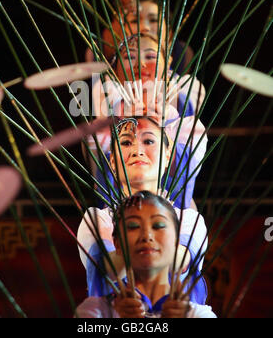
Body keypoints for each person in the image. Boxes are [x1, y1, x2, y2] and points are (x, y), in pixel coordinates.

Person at [77, 117, 208, 303]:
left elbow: (180, 261)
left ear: (167, 157)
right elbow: (106, 269)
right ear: (113, 162)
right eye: (126, 142)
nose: (137, 151)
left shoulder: (189, 220)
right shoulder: (96, 220)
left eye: (148, 141)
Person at [88, 33, 207, 209]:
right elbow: (107, 178)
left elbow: (183, 177)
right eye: (129, 57)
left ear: (168, 63)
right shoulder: (105, 116)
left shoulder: (186, 125)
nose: (140, 65)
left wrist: (160, 127)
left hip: (173, 218)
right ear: (116, 68)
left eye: (150, 56)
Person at [76, 191, 216, 318]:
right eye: (133, 226)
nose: (146, 235)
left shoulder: (198, 315)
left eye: (158, 226)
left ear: (176, 241)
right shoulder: (93, 313)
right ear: (117, 243)